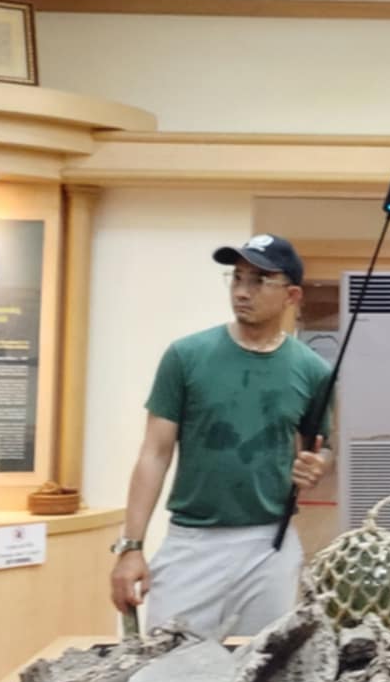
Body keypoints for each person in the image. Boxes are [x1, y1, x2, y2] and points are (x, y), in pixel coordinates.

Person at [107, 234, 331, 639]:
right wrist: (131, 547)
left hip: (270, 544)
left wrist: (317, 466)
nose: (242, 291)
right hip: (192, 543)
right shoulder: (186, 356)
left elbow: (321, 448)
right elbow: (154, 453)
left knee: (263, 667)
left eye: (259, 280)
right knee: (169, 663)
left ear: (292, 295)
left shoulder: (312, 370)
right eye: (237, 278)